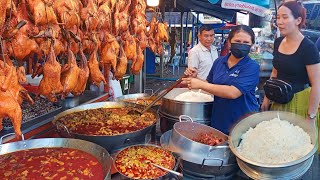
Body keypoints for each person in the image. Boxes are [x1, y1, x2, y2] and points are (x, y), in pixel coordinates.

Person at [183, 25, 260, 134]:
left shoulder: (251, 66)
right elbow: (210, 84)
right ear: (229, 42)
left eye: (246, 42)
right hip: (219, 120)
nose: (241, 45)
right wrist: (197, 78)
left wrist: (200, 85)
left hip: (243, 123)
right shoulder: (219, 62)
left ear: (251, 44)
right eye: (237, 41)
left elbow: (233, 92)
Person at [261, 1, 320, 124]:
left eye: (285, 17)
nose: (279, 22)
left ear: (298, 20)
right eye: (278, 17)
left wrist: (311, 116)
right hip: (278, 99)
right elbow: (275, 71)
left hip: (300, 102)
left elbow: (316, 84)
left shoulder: (308, 48)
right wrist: (267, 98)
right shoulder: (278, 42)